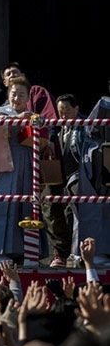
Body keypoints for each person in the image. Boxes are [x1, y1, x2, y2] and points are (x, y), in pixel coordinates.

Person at [0, 76, 37, 264]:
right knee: (4, 206)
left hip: (27, 163)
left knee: (28, 206)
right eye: (14, 94)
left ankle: (26, 251)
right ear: (8, 94)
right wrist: (16, 119)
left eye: (22, 95)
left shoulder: (32, 115)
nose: (17, 99)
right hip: (6, 164)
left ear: (28, 97)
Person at [57, 94, 110, 267]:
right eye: (60, 112)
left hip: (85, 179)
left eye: (67, 110)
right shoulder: (64, 129)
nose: (63, 115)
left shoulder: (84, 128)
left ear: (77, 108)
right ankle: (79, 253)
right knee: (76, 218)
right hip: (74, 180)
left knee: (84, 217)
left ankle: (82, 253)